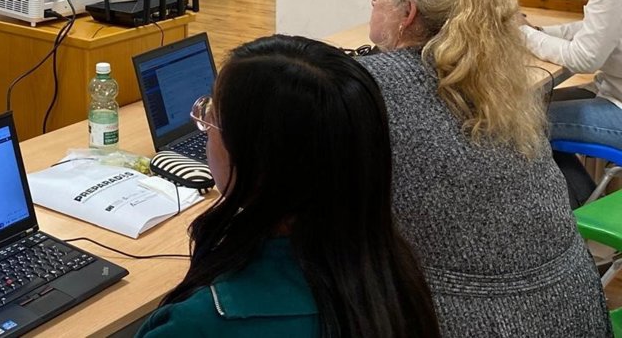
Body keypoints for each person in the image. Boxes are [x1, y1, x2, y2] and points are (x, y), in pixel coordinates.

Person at [364, 0, 609, 336]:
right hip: (576, 309)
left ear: (407, 13)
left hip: (474, 321)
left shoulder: (376, 86)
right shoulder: (499, 80)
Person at [137, 35, 440, 338]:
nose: (206, 131)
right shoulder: (394, 277)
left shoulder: (200, 323)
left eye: (212, 119)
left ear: (258, 158)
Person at [524, 0, 622, 206]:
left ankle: (576, 218)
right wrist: (539, 33)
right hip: (610, 91)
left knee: (514, 123)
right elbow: (596, 28)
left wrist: (522, 35)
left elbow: (585, 57)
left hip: (617, 105)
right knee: (523, 105)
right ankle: (582, 207)